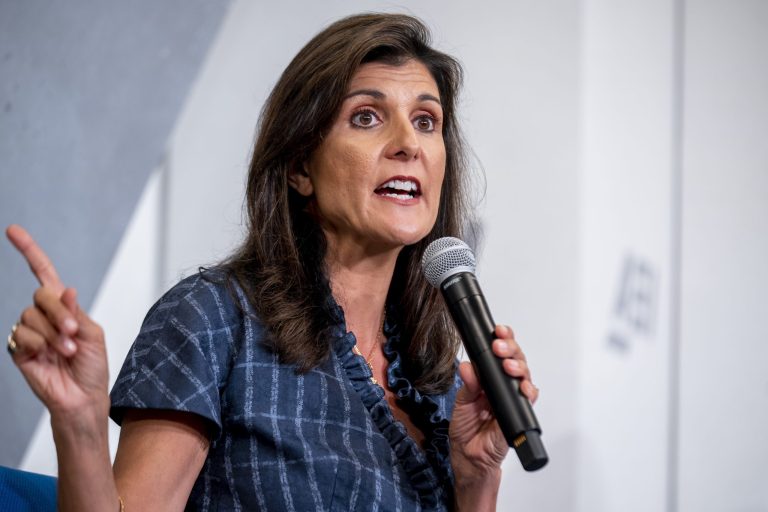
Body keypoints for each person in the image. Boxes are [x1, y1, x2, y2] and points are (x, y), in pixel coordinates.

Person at [5, 13, 539, 512]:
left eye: (426, 120)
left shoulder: (443, 388)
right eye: (367, 116)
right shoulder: (214, 317)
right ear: (300, 167)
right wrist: (79, 425)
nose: (408, 145)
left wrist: (477, 475)